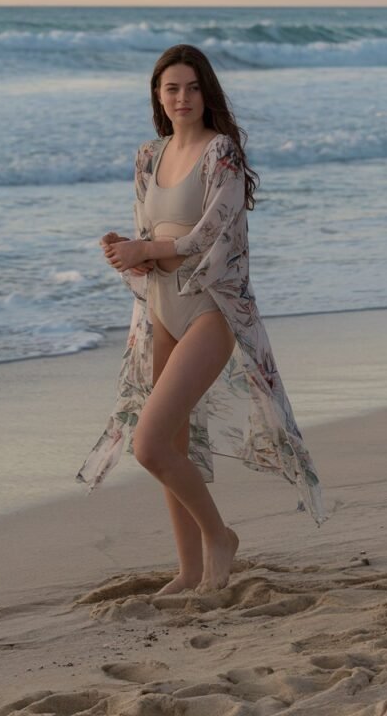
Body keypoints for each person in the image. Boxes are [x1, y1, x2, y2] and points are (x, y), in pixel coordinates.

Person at [76, 44, 327, 595]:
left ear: (205, 92)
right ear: (158, 95)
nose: (182, 97)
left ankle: (220, 537)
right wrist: (125, 248)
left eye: (192, 87)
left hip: (210, 308)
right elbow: (152, 231)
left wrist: (147, 248)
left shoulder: (222, 152)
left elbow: (212, 235)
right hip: (161, 309)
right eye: (172, 88)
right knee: (174, 442)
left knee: (149, 445)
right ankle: (189, 569)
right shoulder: (148, 155)